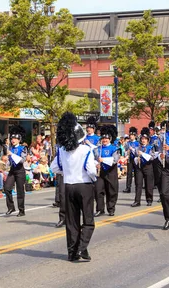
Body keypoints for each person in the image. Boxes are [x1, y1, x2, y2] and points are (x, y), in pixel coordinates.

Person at [50, 112, 98, 261]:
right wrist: (94, 178)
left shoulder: (62, 151)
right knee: (88, 221)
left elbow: (54, 168)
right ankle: (81, 248)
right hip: (84, 186)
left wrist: (67, 172)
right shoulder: (85, 150)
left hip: (68, 186)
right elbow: (90, 170)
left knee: (71, 222)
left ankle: (72, 252)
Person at [94, 125, 120, 217]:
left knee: (111, 191)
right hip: (100, 172)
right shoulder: (97, 149)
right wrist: (95, 164)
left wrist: (103, 160)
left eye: (106, 138)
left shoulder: (114, 148)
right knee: (98, 190)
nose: (104, 140)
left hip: (111, 172)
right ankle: (100, 209)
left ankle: (111, 208)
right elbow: (92, 159)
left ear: (110, 138)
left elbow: (115, 160)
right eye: (103, 138)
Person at [3, 125, 28, 216]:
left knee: (20, 191)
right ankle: (11, 207)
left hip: (20, 170)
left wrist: (12, 155)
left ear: (19, 140)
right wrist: (7, 161)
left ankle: (21, 210)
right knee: (7, 188)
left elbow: (22, 160)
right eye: (12, 138)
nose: (13, 140)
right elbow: (10, 161)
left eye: (15, 139)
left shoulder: (23, 148)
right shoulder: (10, 148)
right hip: (12, 170)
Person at [130, 127, 157, 207]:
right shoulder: (137, 147)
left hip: (148, 167)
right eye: (142, 139)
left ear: (148, 140)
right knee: (138, 184)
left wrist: (142, 154)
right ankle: (137, 201)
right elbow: (134, 156)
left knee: (149, 184)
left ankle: (149, 199)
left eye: (145, 139)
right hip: (139, 167)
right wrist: (135, 158)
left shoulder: (151, 147)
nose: (143, 140)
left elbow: (152, 157)